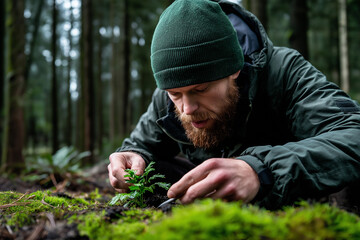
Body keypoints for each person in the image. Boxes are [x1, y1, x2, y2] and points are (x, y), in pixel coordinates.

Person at [108, 0, 360, 209]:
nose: (187, 108)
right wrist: (130, 158)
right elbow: (139, 145)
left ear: (235, 70)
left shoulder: (285, 72)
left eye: (201, 89)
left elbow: (353, 135)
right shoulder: (168, 96)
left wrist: (261, 171)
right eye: (175, 94)